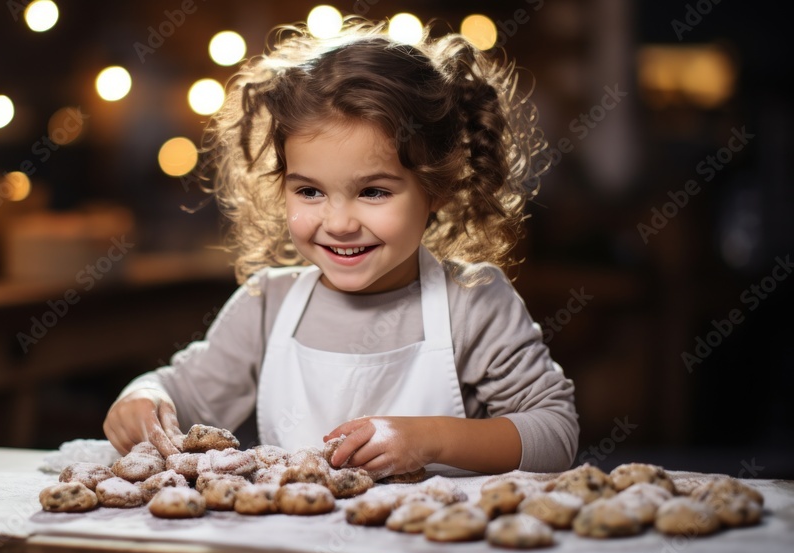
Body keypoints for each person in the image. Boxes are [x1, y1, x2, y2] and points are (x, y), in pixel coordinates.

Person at [104, 18, 578, 477]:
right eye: (309, 191)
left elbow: (554, 434)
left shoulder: (473, 304)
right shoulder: (267, 307)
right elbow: (175, 392)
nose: (339, 223)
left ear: (437, 187)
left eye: (373, 191)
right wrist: (141, 399)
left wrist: (432, 439)